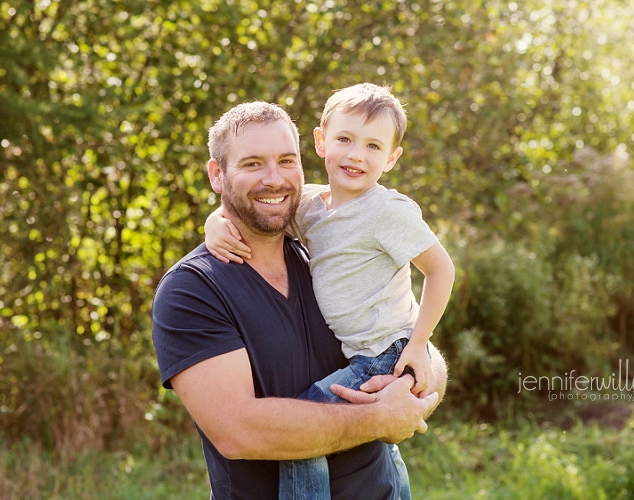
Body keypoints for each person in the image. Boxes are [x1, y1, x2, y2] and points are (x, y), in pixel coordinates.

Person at [152, 100, 446, 500]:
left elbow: (410, 344)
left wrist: (413, 379)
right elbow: (237, 432)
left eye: (287, 161)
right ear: (217, 175)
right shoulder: (194, 290)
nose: (274, 179)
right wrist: (379, 416)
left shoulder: (321, 248)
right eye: (253, 164)